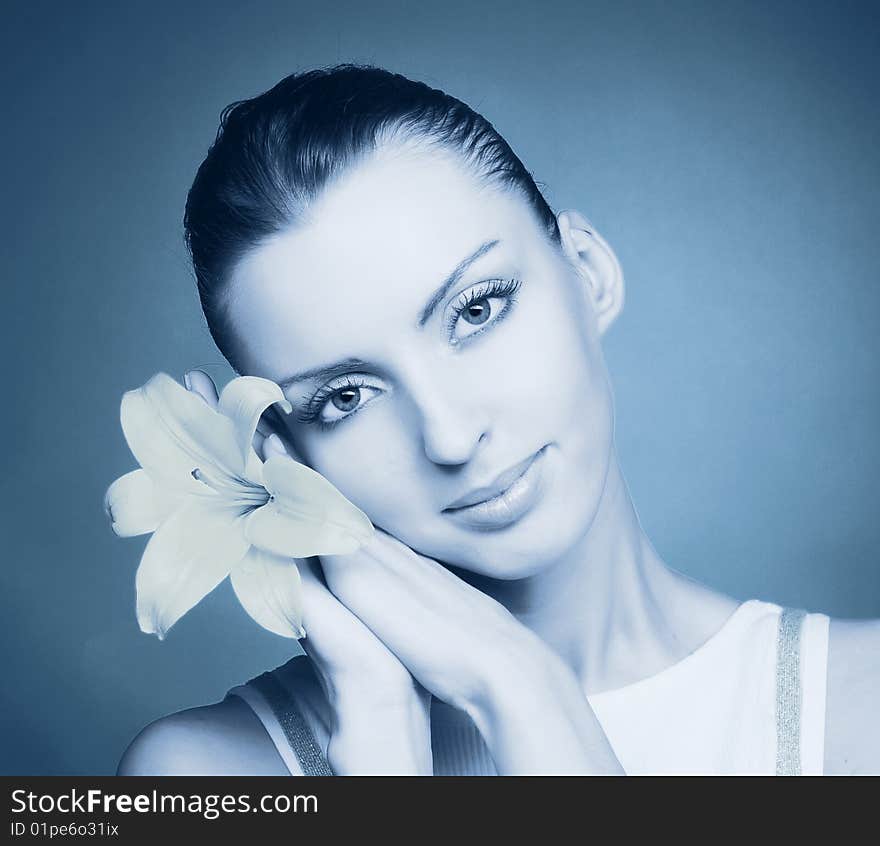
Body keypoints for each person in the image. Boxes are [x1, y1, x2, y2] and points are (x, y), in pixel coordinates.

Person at [116, 64, 878, 776]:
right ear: (282, 453)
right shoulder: (206, 774)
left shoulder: (860, 711)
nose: (449, 436)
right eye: (345, 397)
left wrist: (529, 698)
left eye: (476, 310)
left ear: (587, 271)